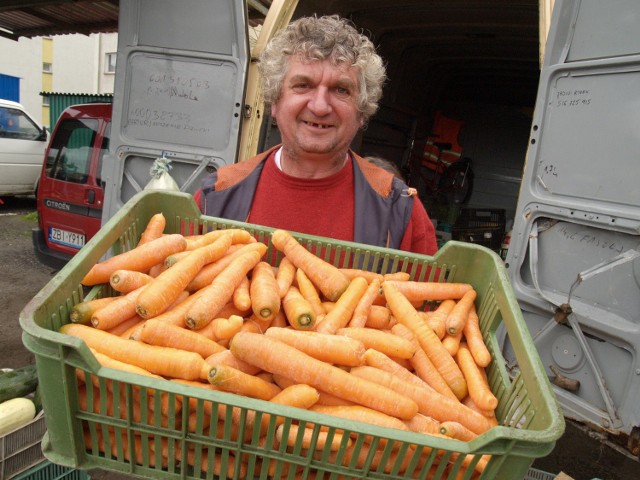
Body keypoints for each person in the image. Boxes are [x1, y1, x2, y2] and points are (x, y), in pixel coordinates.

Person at [199, 15, 437, 255]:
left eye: (341, 89)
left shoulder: (399, 210)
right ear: (275, 100)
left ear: (362, 111)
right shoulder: (218, 195)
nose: (320, 107)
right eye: (303, 85)